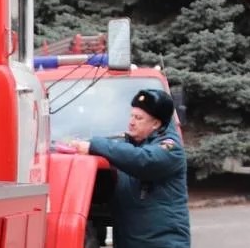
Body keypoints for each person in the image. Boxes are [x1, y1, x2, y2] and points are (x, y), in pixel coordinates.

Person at [68, 89, 188, 248]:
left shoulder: (170, 148)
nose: (131, 122)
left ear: (156, 124)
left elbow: (144, 160)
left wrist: (94, 146)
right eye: (131, 116)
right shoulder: (126, 149)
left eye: (139, 118)